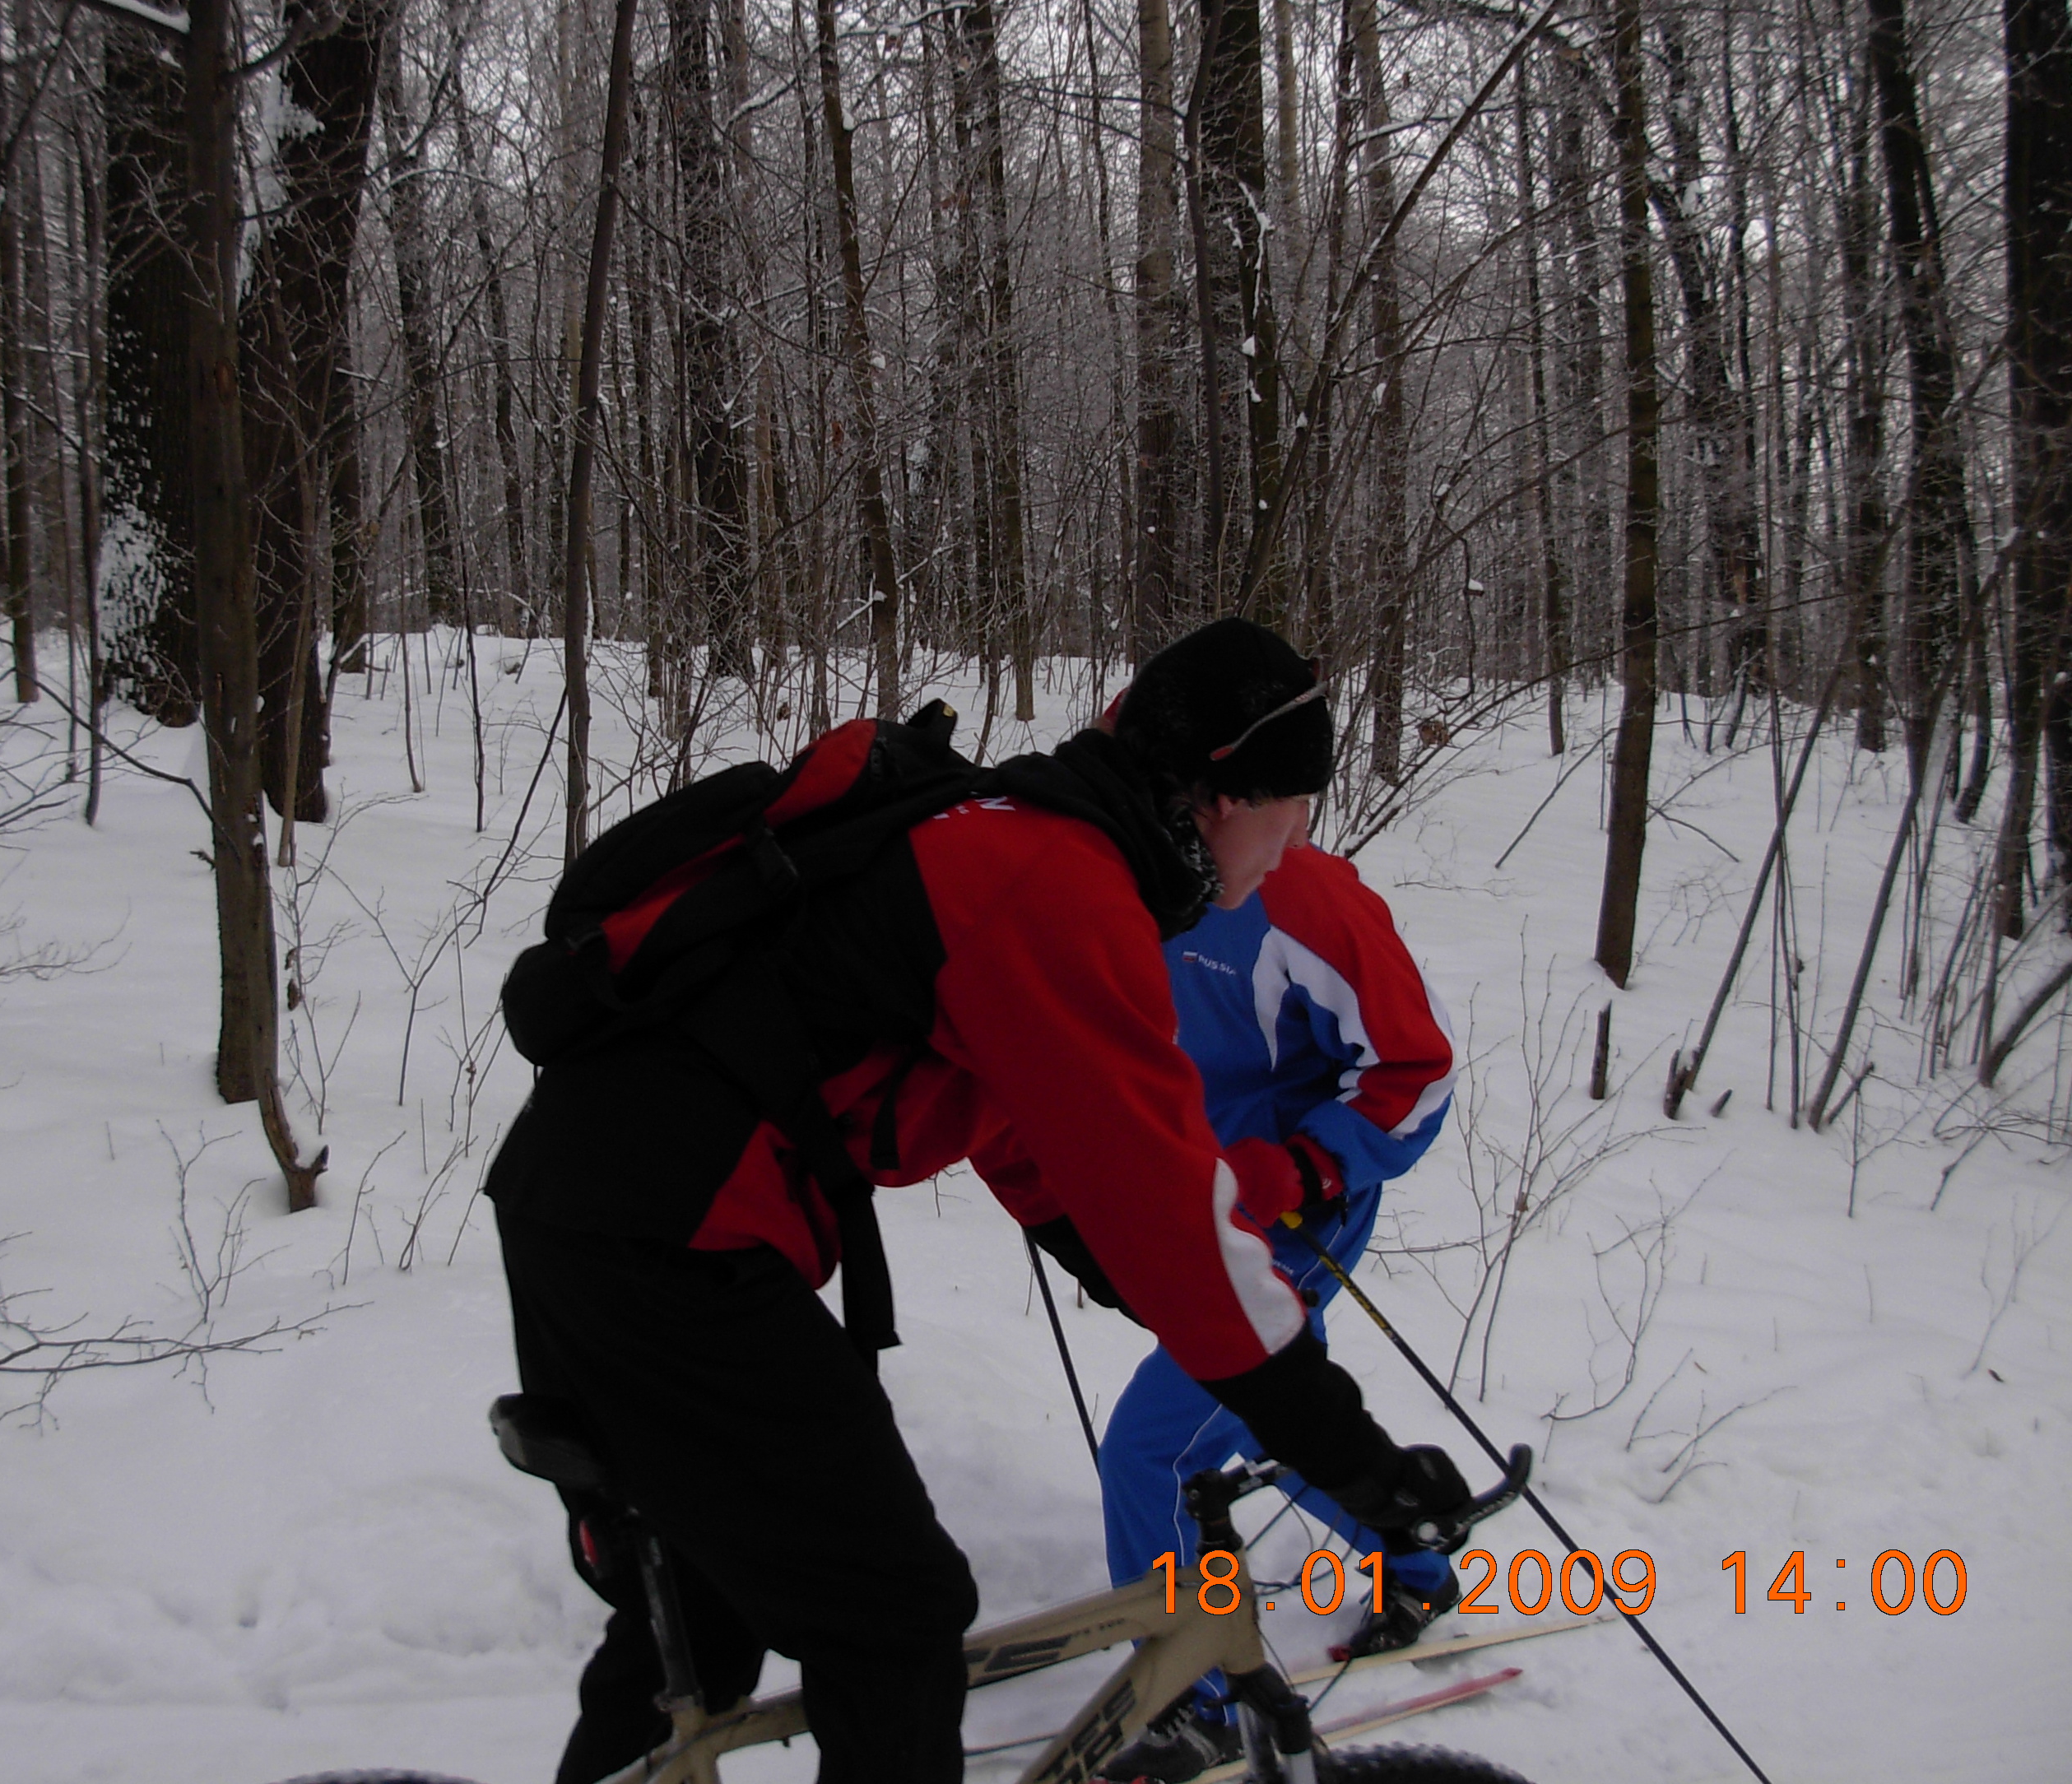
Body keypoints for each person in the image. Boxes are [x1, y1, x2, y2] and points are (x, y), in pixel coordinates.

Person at [487, 617, 1474, 1784]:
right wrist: (1351, 1455)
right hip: (669, 1247)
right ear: (1221, 797)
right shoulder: (1055, 882)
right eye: (1294, 815)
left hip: (592, 1212)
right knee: (897, 1619)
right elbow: (1165, 1200)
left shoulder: (1016, 833)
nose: (1295, 847)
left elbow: (1018, 1124)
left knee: (701, 1622)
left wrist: (1116, 1266)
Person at [1086, 774, 1461, 1784]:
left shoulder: (1307, 899)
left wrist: (1306, 1166)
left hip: (1295, 1210)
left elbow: (1417, 1072)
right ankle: (1413, 1559)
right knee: (1270, 1412)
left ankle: (1192, 1702)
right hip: (1195, 1206)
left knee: (1153, 1454)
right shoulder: (1120, 874)